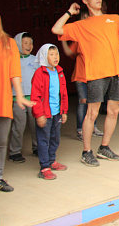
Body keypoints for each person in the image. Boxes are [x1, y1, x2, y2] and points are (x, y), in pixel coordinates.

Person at [51, 0, 119, 166]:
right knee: (92, 113)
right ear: (85, 1)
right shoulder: (81, 25)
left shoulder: (114, 18)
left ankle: (104, 147)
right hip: (96, 73)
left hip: (117, 71)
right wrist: (69, 12)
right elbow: (56, 29)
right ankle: (86, 151)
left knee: (113, 111)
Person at [0, 7, 35, 192]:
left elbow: (14, 72)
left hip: (2, 97)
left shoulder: (8, 43)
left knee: (0, 142)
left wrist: (20, 96)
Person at [61, 10, 103, 142]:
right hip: (81, 75)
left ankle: (93, 127)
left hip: (94, 75)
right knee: (83, 101)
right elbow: (69, 52)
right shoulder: (79, 37)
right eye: (83, 17)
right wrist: (62, 39)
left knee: (94, 102)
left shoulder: (96, 36)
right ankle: (80, 129)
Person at [30, 44, 69, 180]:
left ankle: (52, 160)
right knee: (43, 140)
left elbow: (63, 93)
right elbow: (35, 96)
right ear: (43, 57)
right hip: (45, 114)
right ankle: (44, 167)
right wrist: (39, 114)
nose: (55, 57)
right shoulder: (39, 73)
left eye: (56, 54)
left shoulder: (60, 72)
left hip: (57, 113)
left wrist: (64, 111)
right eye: (51, 54)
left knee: (55, 138)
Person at [8, 32, 39, 164]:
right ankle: (14, 152)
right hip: (17, 99)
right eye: (25, 43)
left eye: (30, 43)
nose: (28, 46)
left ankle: (37, 148)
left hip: (33, 99)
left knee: (36, 125)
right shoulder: (11, 59)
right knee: (19, 126)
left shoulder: (35, 60)